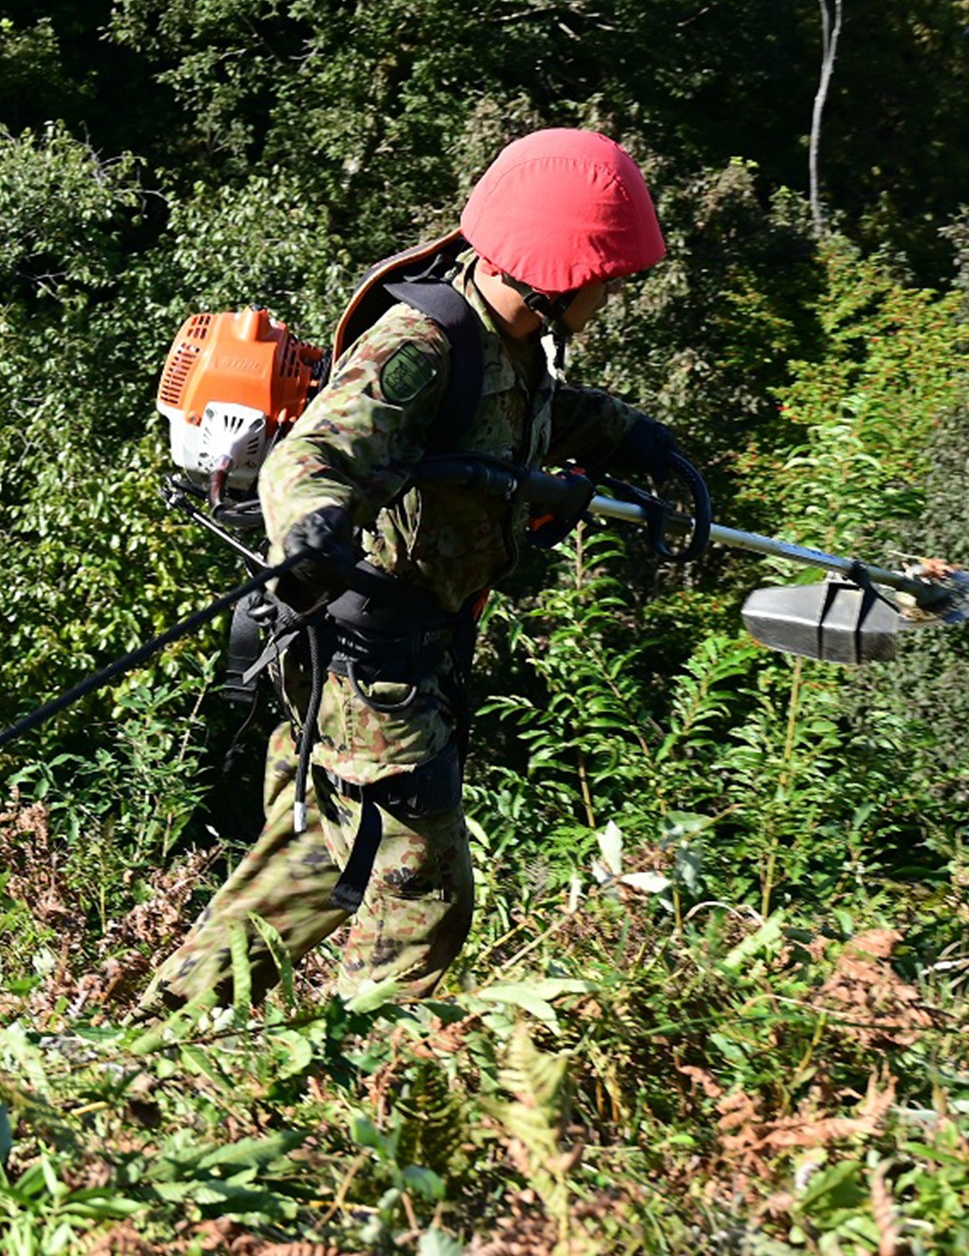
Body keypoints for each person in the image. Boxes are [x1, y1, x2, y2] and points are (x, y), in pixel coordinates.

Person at [140, 128, 684, 1014]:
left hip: (408, 649)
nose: (615, 292)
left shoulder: (505, 336)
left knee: (319, 857)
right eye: (609, 277)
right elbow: (307, 457)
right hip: (367, 659)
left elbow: (529, 415)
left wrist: (636, 438)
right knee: (422, 887)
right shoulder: (421, 344)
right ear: (556, 272)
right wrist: (314, 527)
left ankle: (157, 1035)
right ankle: (373, 1087)